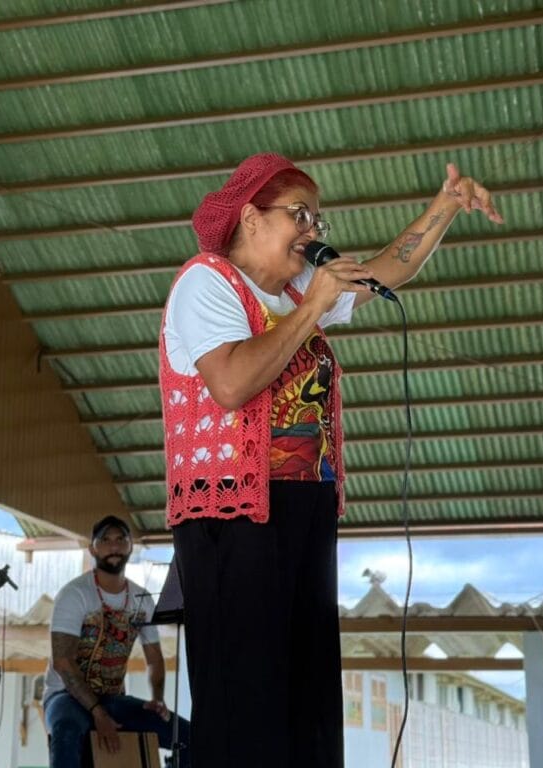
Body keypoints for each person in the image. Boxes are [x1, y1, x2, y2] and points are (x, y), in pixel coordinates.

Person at [159, 152, 503, 768]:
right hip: (233, 514)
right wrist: (312, 307)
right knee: (249, 705)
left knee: (308, 702)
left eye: (318, 217)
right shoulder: (207, 281)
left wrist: (444, 207)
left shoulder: (294, 291)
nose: (315, 230)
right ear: (252, 219)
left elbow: (382, 272)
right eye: (301, 215)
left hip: (303, 509)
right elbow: (232, 382)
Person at [43, 515, 190, 768]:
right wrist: (97, 713)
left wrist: (157, 699)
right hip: (64, 696)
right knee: (66, 730)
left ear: (130, 546)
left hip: (112, 699)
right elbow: (64, 663)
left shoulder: (141, 598)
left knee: (187, 737)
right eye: (106, 540)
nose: (114, 546)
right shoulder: (75, 594)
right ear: (92, 548)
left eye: (121, 539)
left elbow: (154, 658)